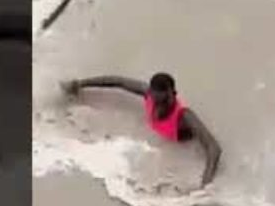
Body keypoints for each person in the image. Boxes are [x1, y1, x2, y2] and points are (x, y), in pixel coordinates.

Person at [60, 73, 222, 186]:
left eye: (164, 101)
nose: (159, 106)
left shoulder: (185, 116)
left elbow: (214, 149)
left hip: (180, 143)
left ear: (173, 94)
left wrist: (206, 183)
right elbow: (117, 81)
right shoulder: (148, 94)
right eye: (156, 100)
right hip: (159, 135)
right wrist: (79, 84)